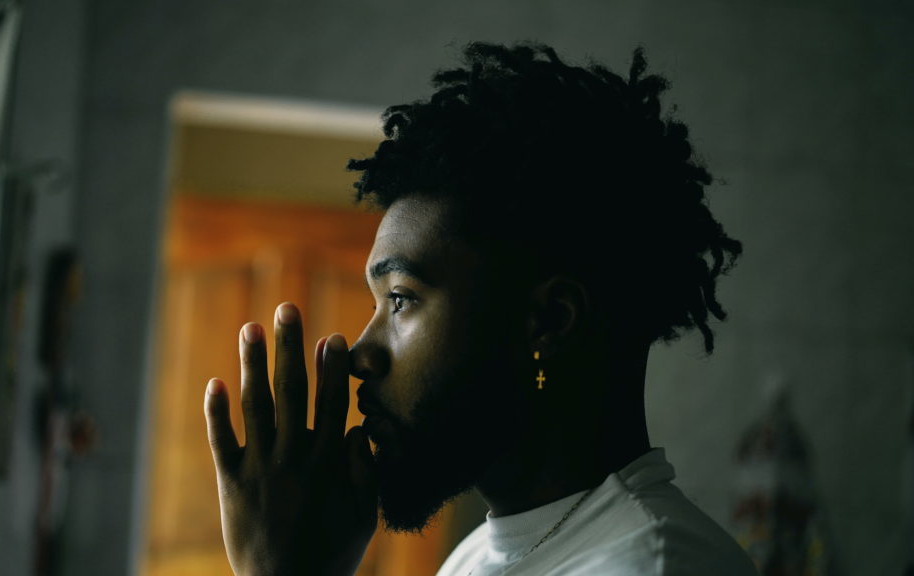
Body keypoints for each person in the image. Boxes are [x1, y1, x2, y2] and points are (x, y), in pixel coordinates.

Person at [203, 42, 758, 575]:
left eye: (400, 299)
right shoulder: (478, 555)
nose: (362, 353)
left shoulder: (651, 566)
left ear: (549, 321)